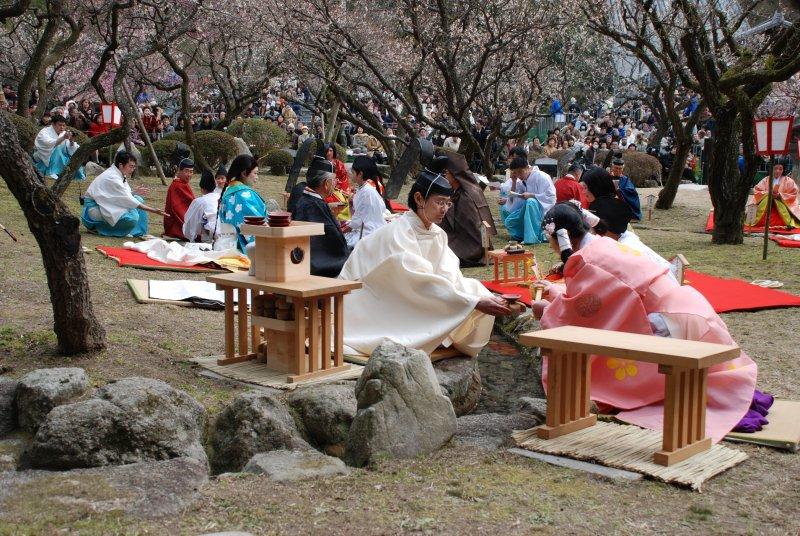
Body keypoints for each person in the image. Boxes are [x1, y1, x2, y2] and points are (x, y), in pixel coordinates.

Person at [530, 202, 758, 443]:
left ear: (559, 238)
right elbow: (593, 300)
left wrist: (547, 310)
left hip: (671, 323)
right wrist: (557, 295)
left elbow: (583, 314)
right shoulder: (602, 243)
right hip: (688, 309)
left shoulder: (585, 261)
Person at [339, 159, 510, 359]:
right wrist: (472, 302)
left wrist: (479, 297)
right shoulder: (398, 232)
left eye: (448, 203)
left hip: (408, 291)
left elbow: (449, 276)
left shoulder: (437, 233)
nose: (445, 209)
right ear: (419, 199)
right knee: (471, 297)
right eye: (439, 202)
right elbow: (415, 280)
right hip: (372, 298)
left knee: (476, 288)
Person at [581, 167, 674, 278]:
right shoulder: (605, 203)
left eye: (586, 188)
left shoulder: (603, 207)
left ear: (595, 187)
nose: (583, 192)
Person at [81, 151, 168, 237]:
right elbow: (126, 199)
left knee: (138, 199)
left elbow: (120, 195)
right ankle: (100, 228)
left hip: (105, 204)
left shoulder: (119, 173)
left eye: (134, 167)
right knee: (132, 217)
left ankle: (138, 232)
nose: (132, 170)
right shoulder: (112, 177)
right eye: (130, 166)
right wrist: (153, 210)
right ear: (121, 165)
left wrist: (133, 193)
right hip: (94, 210)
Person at [289, 166, 351, 277]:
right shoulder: (316, 204)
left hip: (302, 260)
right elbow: (334, 241)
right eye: (334, 180)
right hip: (318, 266)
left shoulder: (305, 199)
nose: (336, 183)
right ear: (326, 184)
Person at [438, 152, 497, 267]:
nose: (444, 176)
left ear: (455, 175)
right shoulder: (463, 190)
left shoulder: (466, 196)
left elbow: (468, 225)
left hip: (471, 246)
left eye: (446, 173)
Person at [498, 157, 556, 244]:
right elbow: (514, 195)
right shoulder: (522, 180)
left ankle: (532, 237)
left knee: (530, 201)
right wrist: (514, 181)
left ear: (528, 168)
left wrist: (532, 196)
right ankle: (523, 235)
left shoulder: (541, 176)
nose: (519, 175)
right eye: (516, 173)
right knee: (510, 222)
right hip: (528, 209)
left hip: (541, 211)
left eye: (520, 172)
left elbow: (551, 197)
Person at [216, 154, 266, 252]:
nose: (257, 177)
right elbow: (259, 223)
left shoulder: (228, 191)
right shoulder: (245, 195)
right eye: (255, 173)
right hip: (247, 250)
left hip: (228, 247)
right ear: (244, 173)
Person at [342, 156, 388, 247]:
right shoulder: (365, 188)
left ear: (360, 174)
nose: (351, 174)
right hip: (374, 227)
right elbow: (382, 208)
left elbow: (357, 221)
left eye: (353, 172)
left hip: (368, 232)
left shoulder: (366, 191)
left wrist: (342, 230)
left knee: (341, 241)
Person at [33, 114, 85, 180]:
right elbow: (49, 144)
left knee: (73, 159)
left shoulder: (64, 133)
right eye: (60, 125)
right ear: (53, 124)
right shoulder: (44, 132)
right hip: (45, 158)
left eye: (64, 125)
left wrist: (72, 141)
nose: (62, 127)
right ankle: (52, 171)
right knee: (56, 148)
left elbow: (70, 149)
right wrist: (63, 138)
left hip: (62, 158)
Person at [751, 162, 800, 229]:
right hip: (766, 205)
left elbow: (793, 194)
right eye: (775, 168)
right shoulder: (766, 180)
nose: (778, 171)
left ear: (783, 170)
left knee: (783, 220)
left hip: (782, 205)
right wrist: (768, 193)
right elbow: (757, 191)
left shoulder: (789, 181)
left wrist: (780, 195)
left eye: (780, 169)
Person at [182, 170, 220, 243]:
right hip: (225, 232)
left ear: (202, 188)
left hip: (209, 235)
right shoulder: (221, 197)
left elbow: (189, 220)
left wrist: (191, 236)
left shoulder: (199, 201)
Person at [162, 158, 196, 239]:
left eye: (191, 172)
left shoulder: (183, 183)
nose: (189, 174)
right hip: (175, 224)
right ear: (180, 171)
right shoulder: (177, 185)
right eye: (186, 171)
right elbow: (178, 208)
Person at [610, 154, 642, 220]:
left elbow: (632, 192)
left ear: (623, 169)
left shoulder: (625, 179)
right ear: (612, 168)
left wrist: (620, 191)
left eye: (620, 168)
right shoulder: (607, 177)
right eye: (616, 168)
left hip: (621, 201)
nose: (618, 170)